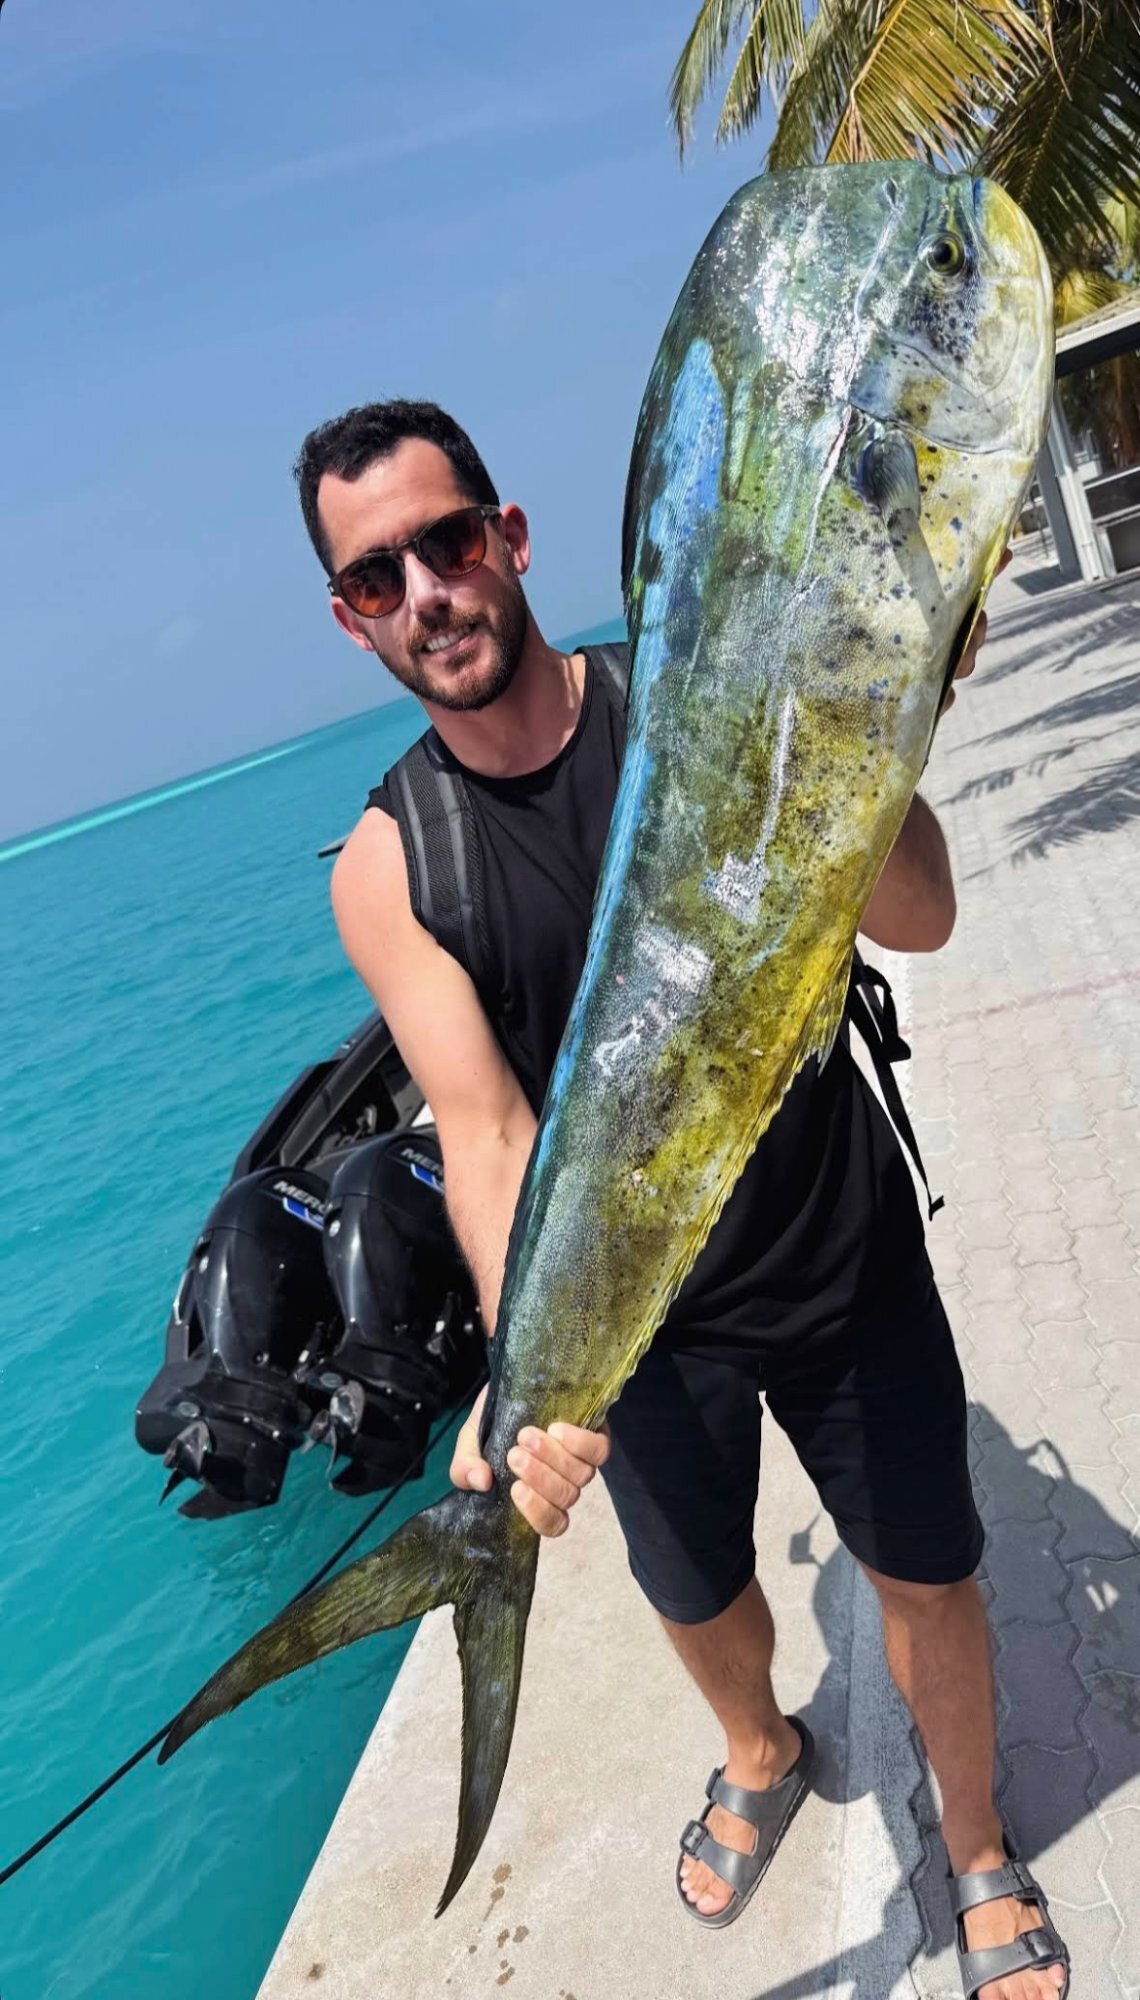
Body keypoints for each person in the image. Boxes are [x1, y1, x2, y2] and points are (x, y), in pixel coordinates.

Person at [299, 398, 1068, 2000]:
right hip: (640, 1334)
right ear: (350, 619)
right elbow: (489, 1135)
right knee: (696, 1590)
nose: (428, 589)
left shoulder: (701, 700)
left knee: (928, 1570)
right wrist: (528, 1382)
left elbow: (917, 918)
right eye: (380, 576)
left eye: (449, 541)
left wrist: (862, 731)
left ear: (512, 541)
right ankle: (761, 1742)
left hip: (833, 1244)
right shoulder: (388, 866)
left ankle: (980, 1841)